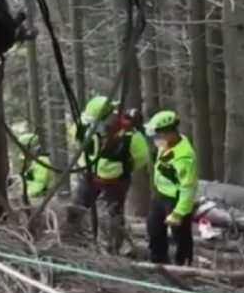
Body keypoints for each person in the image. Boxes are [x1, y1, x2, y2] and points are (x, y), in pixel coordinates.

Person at [66, 95, 150, 251]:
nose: (90, 125)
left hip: (115, 182)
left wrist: (121, 168)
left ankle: (114, 248)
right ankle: (72, 241)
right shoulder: (82, 127)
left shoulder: (130, 136)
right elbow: (74, 139)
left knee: (113, 216)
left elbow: (141, 158)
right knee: (76, 208)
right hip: (89, 175)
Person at [144, 110, 198, 265]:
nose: (156, 140)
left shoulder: (184, 157)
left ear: (169, 133)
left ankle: (184, 266)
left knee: (181, 237)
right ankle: (158, 263)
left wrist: (179, 213)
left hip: (176, 200)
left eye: (158, 135)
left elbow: (188, 188)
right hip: (160, 194)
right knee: (154, 230)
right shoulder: (166, 144)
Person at [18, 132, 53, 199]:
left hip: (42, 199)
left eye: (23, 149)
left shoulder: (42, 162)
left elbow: (38, 186)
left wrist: (23, 194)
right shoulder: (32, 162)